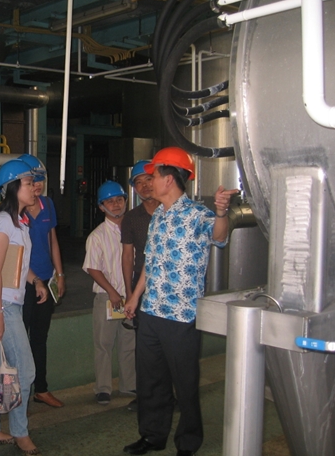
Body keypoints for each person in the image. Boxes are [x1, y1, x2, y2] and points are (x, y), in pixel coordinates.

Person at [123, 147, 238, 456]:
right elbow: (150, 262)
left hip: (181, 315)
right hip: (151, 311)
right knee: (150, 381)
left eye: (154, 176)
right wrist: (135, 297)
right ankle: (152, 436)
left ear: (169, 179)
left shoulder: (198, 214)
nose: (149, 182)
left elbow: (219, 236)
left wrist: (222, 212)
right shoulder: (158, 216)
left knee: (185, 384)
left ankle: (188, 442)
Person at [0, 158, 47, 456]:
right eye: (28, 183)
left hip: (7, 302)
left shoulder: (19, 222)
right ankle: (20, 432)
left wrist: (36, 281)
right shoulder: (3, 222)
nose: (34, 188)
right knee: (25, 371)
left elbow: (15, 264)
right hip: (2, 305)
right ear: (12, 188)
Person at [18, 154, 66, 409]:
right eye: (32, 180)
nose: (37, 185)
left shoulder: (47, 204)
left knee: (39, 336)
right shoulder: (15, 211)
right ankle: (19, 393)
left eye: (40, 180)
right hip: (22, 283)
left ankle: (41, 389)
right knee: (20, 338)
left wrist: (60, 274)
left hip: (46, 279)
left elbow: (52, 240)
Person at [82, 181, 136, 405]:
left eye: (119, 200)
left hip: (131, 297)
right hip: (108, 297)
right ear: (101, 207)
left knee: (129, 343)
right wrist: (113, 293)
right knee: (104, 344)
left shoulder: (134, 230)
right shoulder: (97, 236)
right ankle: (103, 388)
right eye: (110, 201)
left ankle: (129, 385)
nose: (116, 204)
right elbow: (93, 268)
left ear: (126, 201)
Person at [120, 160, 160, 412]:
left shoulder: (171, 212)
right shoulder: (132, 218)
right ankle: (145, 395)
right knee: (143, 345)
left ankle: (169, 394)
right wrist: (129, 292)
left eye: (148, 179)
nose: (144, 186)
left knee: (169, 344)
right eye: (139, 182)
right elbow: (127, 256)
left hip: (170, 287)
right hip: (141, 288)